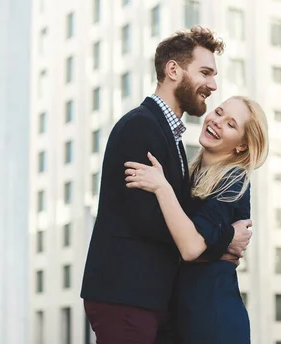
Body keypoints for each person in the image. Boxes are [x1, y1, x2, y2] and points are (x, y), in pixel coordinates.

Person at [80, 27, 253, 344]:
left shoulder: (170, 138)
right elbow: (150, 221)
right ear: (173, 70)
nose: (212, 86)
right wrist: (224, 239)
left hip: (151, 300)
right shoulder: (141, 128)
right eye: (205, 72)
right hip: (128, 295)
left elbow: (176, 220)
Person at [124, 96, 269, 344]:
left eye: (231, 124)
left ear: (241, 146)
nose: (217, 121)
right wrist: (225, 240)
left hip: (213, 321)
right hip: (182, 317)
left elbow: (190, 248)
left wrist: (161, 187)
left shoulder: (233, 180)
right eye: (219, 112)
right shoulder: (191, 175)